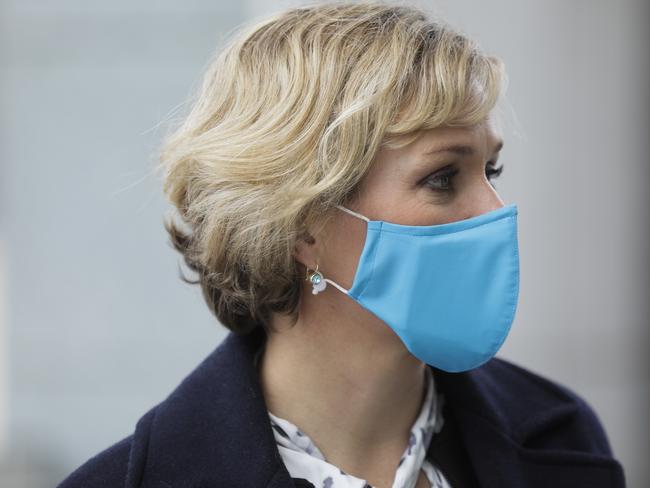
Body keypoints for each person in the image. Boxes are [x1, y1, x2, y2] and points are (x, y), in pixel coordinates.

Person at [57, 2, 626, 487]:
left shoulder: (563, 437)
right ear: (301, 223)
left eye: (492, 170)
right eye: (443, 178)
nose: (493, 212)